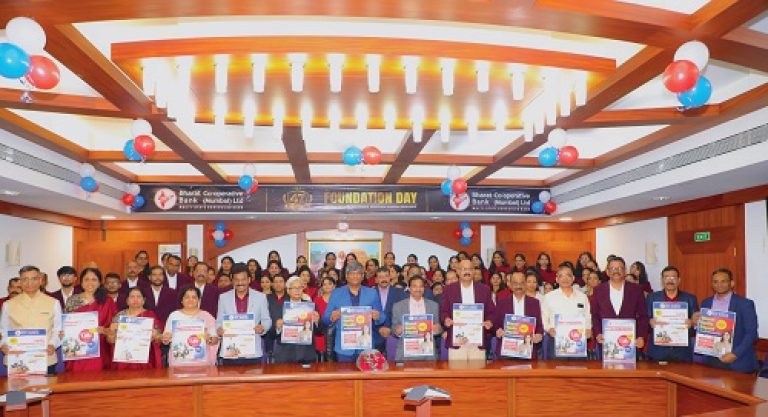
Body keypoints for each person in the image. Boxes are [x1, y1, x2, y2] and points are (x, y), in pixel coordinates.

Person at [0, 266, 62, 374]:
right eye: (25, 279)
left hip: (46, 359)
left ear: (40, 280)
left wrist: (53, 344)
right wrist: (3, 344)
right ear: (20, 281)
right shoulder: (8, 305)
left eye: (34, 279)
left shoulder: (53, 303)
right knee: (17, 386)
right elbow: (3, 330)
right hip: (17, 360)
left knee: (46, 385)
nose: (29, 283)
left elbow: (58, 329)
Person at [697, 268, 758, 373]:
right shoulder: (706, 303)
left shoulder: (745, 304)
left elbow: (752, 334)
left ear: (732, 283)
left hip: (736, 362)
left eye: (723, 281)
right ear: (712, 284)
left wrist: (735, 354)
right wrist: (696, 324)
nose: (719, 285)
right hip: (711, 359)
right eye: (715, 282)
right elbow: (704, 328)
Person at [322, 261, 386, 362]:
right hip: (344, 347)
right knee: (344, 372)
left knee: (366, 372)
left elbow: (382, 317)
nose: (355, 276)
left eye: (358, 273)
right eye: (352, 273)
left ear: (362, 276)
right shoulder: (336, 293)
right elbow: (325, 318)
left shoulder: (372, 293)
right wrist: (332, 316)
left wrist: (378, 316)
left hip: (366, 346)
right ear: (346, 276)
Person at [591, 257, 649, 355]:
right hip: (606, 341)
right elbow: (595, 315)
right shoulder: (598, 290)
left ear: (625, 271)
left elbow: (643, 315)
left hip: (630, 343)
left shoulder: (636, 290)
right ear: (607, 272)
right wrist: (598, 333)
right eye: (613, 268)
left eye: (619, 268)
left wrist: (641, 336)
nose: (616, 271)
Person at [64, 268, 118, 372]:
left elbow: (114, 329)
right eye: (86, 279)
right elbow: (66, 326)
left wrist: (104, 330)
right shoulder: (72, 300)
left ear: (99, 282)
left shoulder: (107, 301)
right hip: (77, 350)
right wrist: (64, 333)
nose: (90, 282)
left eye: (94, 279)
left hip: (100, 350)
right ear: (81, 282)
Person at [439, 259, 494, 361]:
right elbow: (443, 311)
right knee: (457, 371)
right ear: (458, 271)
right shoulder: (449, 289)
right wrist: (446, 319)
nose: (467, 272)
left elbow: (491, 312)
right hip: (457, 341)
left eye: (470, 269)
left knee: (478, 371)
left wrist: (489, 321)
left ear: (474, 271)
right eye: (464, 269)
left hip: (477, 341)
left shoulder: (484, 289)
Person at [217, 263, 271, 365]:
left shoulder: (261, 297)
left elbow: (267, 320)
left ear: (249, 280)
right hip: (230, 351)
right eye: (237, 280)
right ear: (232, 280)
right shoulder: (223, 298)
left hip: (253, 351)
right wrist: (219, 330)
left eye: (243, 279)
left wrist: (262, 327)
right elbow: (219, 321)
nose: (240, 283)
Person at [646, 266, 698, 363]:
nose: (670, 280)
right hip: (658, 351)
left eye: (673, 277)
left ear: (679, 280)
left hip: (682, 352)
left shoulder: (690, 299)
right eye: (666, 277)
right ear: (662, 280)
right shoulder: (652, 297)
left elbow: (696, 326)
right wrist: (649, 322)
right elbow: (644, 321)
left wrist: (692, 324)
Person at [541, 264, 592, 359]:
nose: (565, 279)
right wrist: (549, 329)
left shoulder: (582, 297)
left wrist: (588, 329)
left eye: (568, 275)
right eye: (561, 276)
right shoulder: (549, 297)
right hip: (556, 340)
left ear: (573, 278)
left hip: (578, 341)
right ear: (557, 279)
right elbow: (544, 317)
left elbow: (587, 316)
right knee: (557, 368)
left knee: (578, 367)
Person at [492, 271, 544, 359]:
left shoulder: (534, 303)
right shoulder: (501, 302)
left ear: (525, 284)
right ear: (510, 285)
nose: (518, 286)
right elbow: (495, 324)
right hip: (506, 351)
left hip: (527, 351)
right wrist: (498, 330)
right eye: (515, 283)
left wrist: (539, 335)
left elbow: (539, 326)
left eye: (521, 283)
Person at [162, 287, 219, 367]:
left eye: (194, 297)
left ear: (199, 300)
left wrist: (209, 339)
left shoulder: (207, 316)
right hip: (178, 362)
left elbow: (215, 339)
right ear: (181, 300)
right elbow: (165, 339)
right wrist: (166, 339)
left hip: (201, 363)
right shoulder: (174, 315)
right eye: (187, 297)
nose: (190, 300)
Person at [108, 287, 163, 370]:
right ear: (127, 300)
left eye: (138, 297)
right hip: (123, 360)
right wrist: (111, 332)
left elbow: (158, 338)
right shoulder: (119, 316)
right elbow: (111, 340)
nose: (135, 299)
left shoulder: (150, 315)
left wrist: (154, 334)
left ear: (143, 300)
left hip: (144, 358)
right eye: (132, 297)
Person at [391, 276, 442, 362]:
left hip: (428, 352)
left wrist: (438, 329)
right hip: (406, 352)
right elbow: (393, 329)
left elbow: (439, 327)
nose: (418, 289)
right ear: (409, 289)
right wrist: (397, 330)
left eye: (420, 286)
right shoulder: (398, 306)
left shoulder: (433, 305)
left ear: (424, 288)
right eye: (414, 286)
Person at [272, 276, 320, 364]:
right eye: (294, 288)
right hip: (285, 354)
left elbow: (319, 332)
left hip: (306, 353)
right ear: (288, 290)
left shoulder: (311, 306)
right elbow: (271, 333)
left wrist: (317, 322)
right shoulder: (280, 307)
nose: (297, 290)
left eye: (300, 287)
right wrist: (278, 328)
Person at [314, 276, 336, 362]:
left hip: (336, 334)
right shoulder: (316, 300)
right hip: (321, 333)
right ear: (321, 287)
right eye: (324, 284)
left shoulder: (339, 300)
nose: (327, 286)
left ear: (334, 286)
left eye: (329, 284)